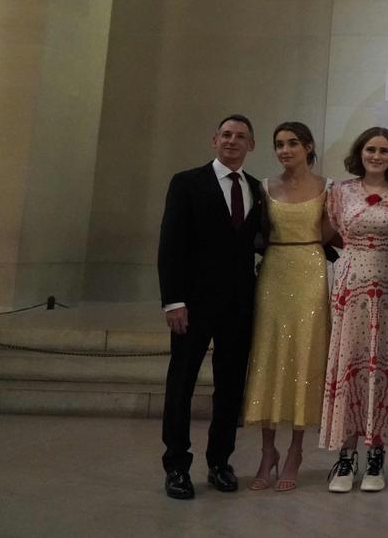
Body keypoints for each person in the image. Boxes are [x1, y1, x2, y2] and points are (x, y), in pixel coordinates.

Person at [158, 114, 263, 499]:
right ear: (214, 139)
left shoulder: (255, 189)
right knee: (181, 383)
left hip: (239, 306)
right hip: (193, 304)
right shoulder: (187, 183)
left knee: (230, 387)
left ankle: (220, 461)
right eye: (226, 134)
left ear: (251, 145)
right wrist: (174, 301)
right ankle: (177, 466)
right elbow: (170, 245)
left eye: (241, 137)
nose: (232, 141)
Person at [321, 127, 388, 492]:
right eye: (371, 149)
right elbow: (326, 235)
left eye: (384, 150)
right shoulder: (339, 192)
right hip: (351, 288)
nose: (376, 156)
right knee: (350, 366)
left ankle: (376, 456)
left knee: (381, 367)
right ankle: (345, 458)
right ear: (360, 152)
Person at [242, 121, 332, 492]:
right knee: (268, 355)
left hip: (311, 271)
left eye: (293, 143)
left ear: (308, 147)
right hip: (274, 272)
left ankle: (295, 450)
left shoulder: (328, 187)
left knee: (304, 356)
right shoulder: (262, 187)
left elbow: (330, 233)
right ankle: (267, 451)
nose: (285, 150)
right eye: (279, 144)